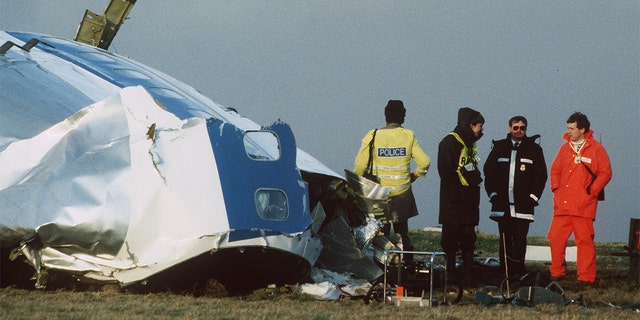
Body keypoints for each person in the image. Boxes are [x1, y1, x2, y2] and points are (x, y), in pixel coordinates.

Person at [354, 100, 431, 254]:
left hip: (379, 196)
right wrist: (415, 175)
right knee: (402, 231)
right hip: (402, 196)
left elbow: (360, 167)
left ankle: (384, 265)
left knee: (381, 233)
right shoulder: (408, 136)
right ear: (403, 117)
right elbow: (425, 162)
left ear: (385, 116)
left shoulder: (373, 136)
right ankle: (405, 261)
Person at [548, 112, 612, 285]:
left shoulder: (596, 148)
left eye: (572, 128)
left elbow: (605, 172)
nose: (568, 131)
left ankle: (586, 277)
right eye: (567, 128)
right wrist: (556, 189)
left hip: (584, 205)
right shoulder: (564, 148)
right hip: (563, 205)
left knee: (584, 241)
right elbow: (555, 170)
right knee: (555, 238)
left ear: (582, 129)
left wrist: (593, 191)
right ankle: (557, 272)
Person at [483, 116, 548, 278]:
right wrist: (493, 195)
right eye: (516, 127)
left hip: (523, 206)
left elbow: (541, 176)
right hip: (502, 205)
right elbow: (489, 173)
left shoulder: (534, 150)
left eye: (522, 128)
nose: (519, 131)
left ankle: (518, 272)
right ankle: (504, 272)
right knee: (504, 240)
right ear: (509, 128)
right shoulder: (499, 147)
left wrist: (533, 198)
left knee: (520, 239)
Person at [437, 107, 484, 283]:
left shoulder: (470, 144)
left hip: (469, 201)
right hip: (453, 202)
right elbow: (446, 172)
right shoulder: (449, 142)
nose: (481, 130)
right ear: (470, 125)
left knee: (469, 239)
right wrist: (457, 195)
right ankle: (450, 274)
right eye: (479, 126)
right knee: (450, 240)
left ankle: (468, 274)